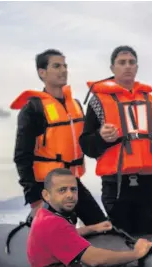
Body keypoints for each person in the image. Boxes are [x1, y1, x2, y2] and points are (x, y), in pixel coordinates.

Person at [27, 168, 152, 267]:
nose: (70, 195)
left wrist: (92, 229)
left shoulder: (44, 216)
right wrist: (136, 254)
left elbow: (63, 237)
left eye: (73, 189)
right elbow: (95, 259)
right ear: (46, 195)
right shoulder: (55, 224)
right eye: (62, 190)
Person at [79, 45, 152, 235]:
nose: (127, 66)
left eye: (131, 62)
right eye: (122, 63)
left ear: (136, 67)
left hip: (149, 185)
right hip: (116, 186)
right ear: (112, 68)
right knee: (123, 240)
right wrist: (101, 138)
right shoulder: (98, 102)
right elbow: (87, 146)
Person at [12, 49, 108, 226]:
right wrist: (35, 200)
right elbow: (22, 157)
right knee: (59, 234)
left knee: (102, 226)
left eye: (65, 66)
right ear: (42, 72)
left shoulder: (76, 105)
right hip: (47, 187)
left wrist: (102, 136)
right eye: (56, 66)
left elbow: (87, 142)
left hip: (72, 182)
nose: (63, 70)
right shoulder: (33, 109)